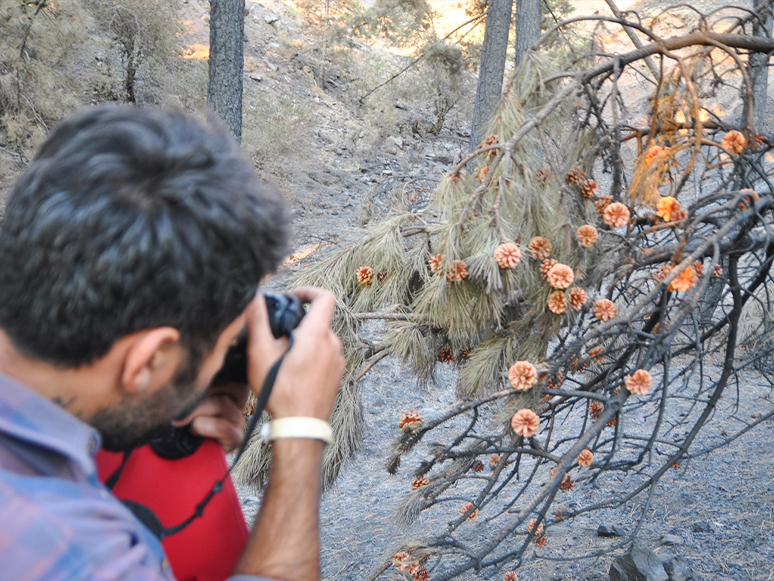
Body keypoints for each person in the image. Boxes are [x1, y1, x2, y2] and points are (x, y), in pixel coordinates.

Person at [0, 105, 345, 581]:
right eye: (223, 349)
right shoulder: (73, 549)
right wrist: (301, 430)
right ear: (149, 361)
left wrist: (149, 416)